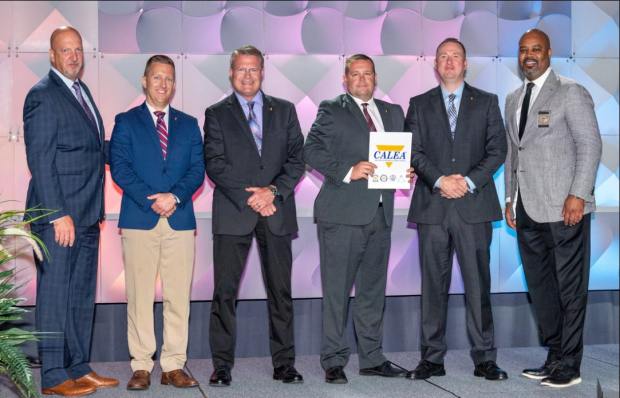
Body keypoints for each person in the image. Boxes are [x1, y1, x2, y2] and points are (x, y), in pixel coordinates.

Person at [304, 54, 412, 384]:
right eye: (355, 74)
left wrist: (406, 171)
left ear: (375, 78)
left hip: (380, 214)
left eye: (368, 74)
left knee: (372, 291)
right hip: (341, 215)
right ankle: (334, 360)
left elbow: (400, 155)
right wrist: (348, 171)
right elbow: (310, 150)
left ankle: (371, 358)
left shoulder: (393, 112)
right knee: (337, 291)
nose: (362, 80)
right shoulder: (331, 108)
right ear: (345, 79)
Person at [23, 26, 118, 396]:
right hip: (59, 218)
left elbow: (93, 150)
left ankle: (77, 365)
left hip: (88, 213)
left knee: (80, 295)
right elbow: (41, 161)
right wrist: (56, 213)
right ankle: (52, 376)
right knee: (55, 294)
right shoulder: (43, 95)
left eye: (78, 50)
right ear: (52, 55)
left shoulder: (81, 91)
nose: (74, 56)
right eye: (66, 50)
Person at [406, 38, 508, 381]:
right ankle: (432, 358)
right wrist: (439, 180)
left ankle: (485, 358)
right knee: (432, 287)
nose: (449, 61)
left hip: (473, 205)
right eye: (443, 56)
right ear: (435, 65)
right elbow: (413, 151)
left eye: (456, 56)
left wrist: (466, 180)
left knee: (479, 285)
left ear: (466, 64)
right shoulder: (418, 104)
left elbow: (497, 150)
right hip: (433, 206)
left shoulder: (488, 102)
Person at [504, 29, 602, 388]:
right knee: (542, 288)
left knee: (569, 288)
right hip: (527, 207)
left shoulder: (571, 92)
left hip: (565, 209)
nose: (529, 55)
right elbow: (513, 153)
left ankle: (571, 365)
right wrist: (509, 198)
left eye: (536, 49)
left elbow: (589, 145)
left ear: (549, 52)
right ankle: (555, 354)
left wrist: (578, 194)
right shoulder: (514, 98)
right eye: (523, 50)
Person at [203, 45, 305, 386]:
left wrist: (272, 192)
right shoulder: (216, 113)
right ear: (231, 73)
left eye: (254, 69)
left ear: (263, 72)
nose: (248, 75)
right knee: (225, 292)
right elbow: (214, 162)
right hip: (234, 212)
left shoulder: (286, 110)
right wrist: (253, 197)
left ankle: (284, 364)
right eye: (241, 70)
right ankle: (221, 366)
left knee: (281, 292)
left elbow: (296, 159)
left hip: (276, 210)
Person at [109, 55, 204, 391]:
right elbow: (119, 167)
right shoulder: (125, 121)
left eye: (169, 78)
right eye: (157, 77)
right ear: (144, 81)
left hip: (179, 219)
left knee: (178, 296)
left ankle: (174, 364)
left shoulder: (190, 124)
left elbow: (197, 170)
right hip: (140, 218)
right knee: (139, 295)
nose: (163, 84)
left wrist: (174, 197)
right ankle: (141, 365)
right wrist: (154, 198)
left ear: (174, 84)